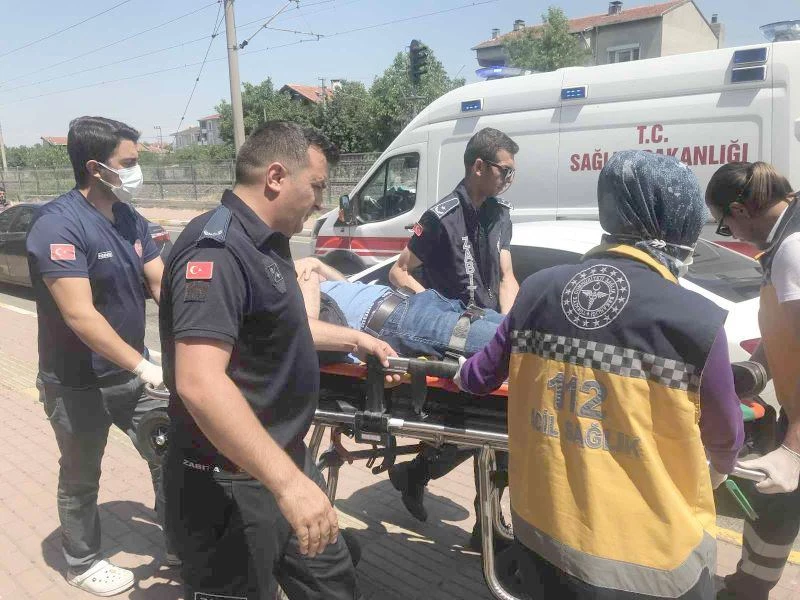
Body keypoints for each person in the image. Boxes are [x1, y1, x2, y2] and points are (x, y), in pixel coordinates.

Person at [453, 150, 744, 599]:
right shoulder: (696, 320)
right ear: (679, 222)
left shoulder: (537, 290)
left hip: (544, 543)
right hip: (654, 567)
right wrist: (720, 468)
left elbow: (479, 377)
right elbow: (726, 439)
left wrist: (457, 372)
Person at [160, 121, 396, 600]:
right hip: (231, 482)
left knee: (333, 582)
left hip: (282, 460)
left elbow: (287, 326)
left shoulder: (267, 241)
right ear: (275, 177)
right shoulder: (218, 251)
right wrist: (288, 485)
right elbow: (199, 382)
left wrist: (357, 338)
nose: (321, 202)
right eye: (317, 186)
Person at [25, 116, 170, 596]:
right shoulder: (58, 225)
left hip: (133, 374)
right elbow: (80, 316)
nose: (136, 170)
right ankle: (82, 562)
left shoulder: (129, 218)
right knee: (82, 476)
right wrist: (144, 366)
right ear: (95, 167)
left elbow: (160, 284)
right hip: (76, 383)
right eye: (128, 162)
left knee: (170, 451)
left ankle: (183, 540)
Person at [386, 127, 519, 543]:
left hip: (487, 333)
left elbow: (506, 276)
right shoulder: (440, 217)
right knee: (488, 429)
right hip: (451, 339)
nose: (509, 179)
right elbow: (399, 272)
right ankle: (487, 528)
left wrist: (508, 329)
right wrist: (434, 308)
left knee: (497, 430)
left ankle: (421, 476)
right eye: (504, 170)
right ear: (478, 166)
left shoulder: (501, 215)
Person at [706, 162, 800, 600]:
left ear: (741, 210)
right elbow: (786, 332)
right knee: (774, 510)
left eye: (725, 226)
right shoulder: (785, 241)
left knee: (776, 503)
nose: (732, 235)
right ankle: (747, 588)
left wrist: (794, 448)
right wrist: (751, 372)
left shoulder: (793, 248)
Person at [294, 257, 504, 359]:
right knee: (512, 341)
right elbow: (305, 330)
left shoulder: (298, 276)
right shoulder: (289, 285)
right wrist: (307, 277)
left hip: (414, 303)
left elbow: (346, 285)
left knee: (512, 324)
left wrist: (317, 264)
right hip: (391, 320)